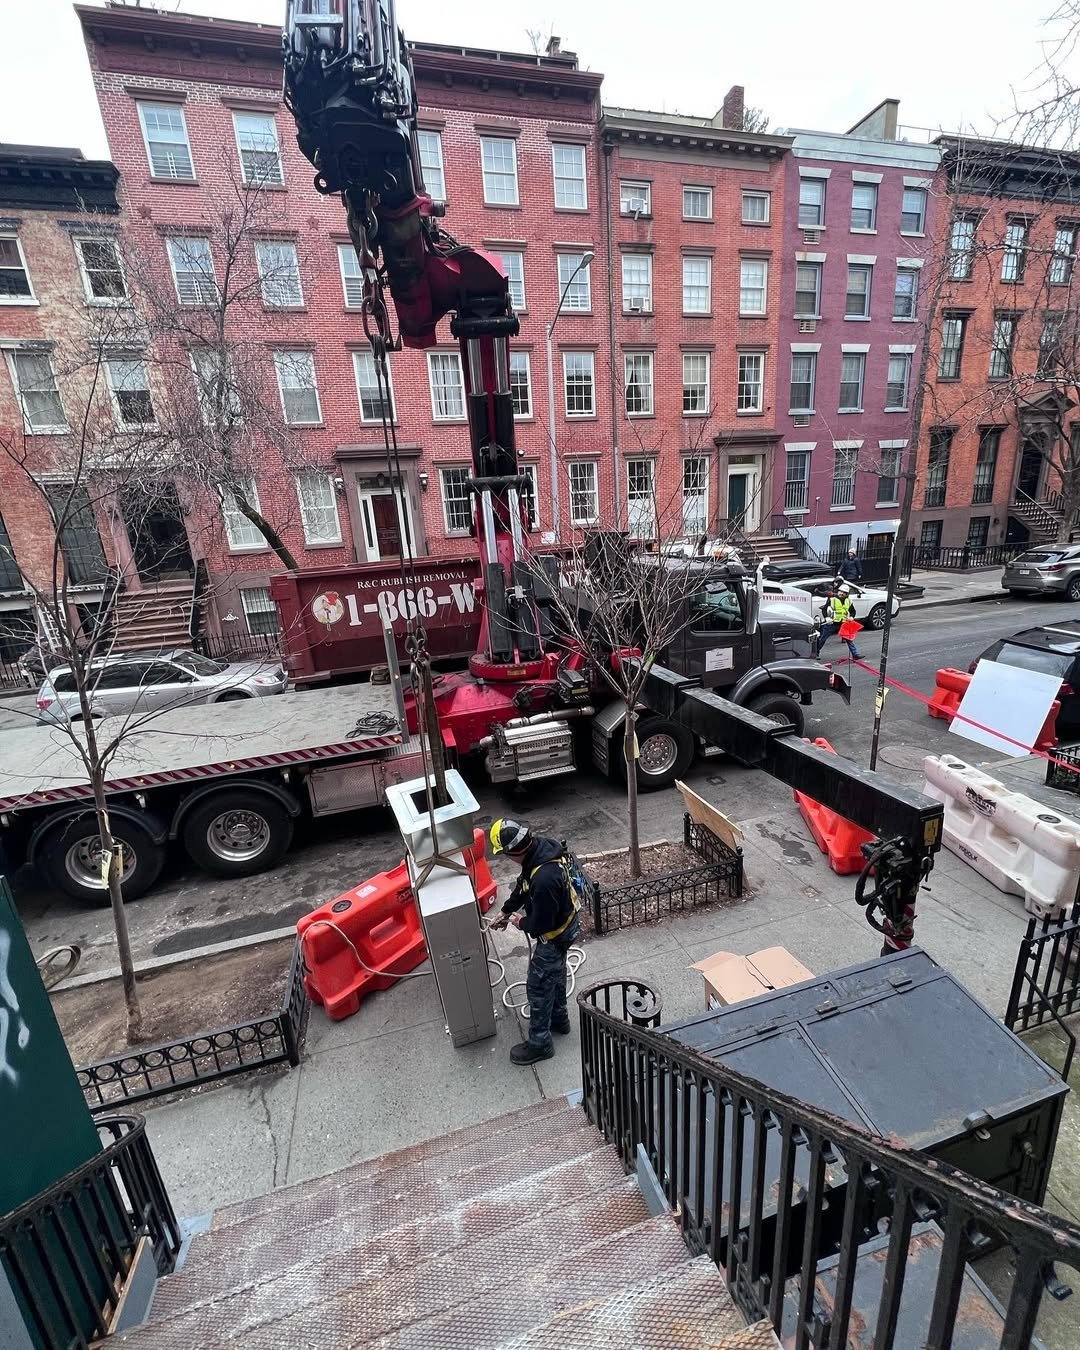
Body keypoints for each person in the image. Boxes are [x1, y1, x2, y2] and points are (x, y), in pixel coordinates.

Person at [487, 817, 582, 1065]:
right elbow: (523, 885)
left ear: (512, 851)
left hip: (555, 934)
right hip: (566, 926)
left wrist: (520, 922)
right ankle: (559, 1021)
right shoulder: (540, 849)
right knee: (556, 973)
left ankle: (540, 1044)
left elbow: (540, 925)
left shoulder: (544, 879)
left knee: (538, 986)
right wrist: (506, 910)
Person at [814, 584, 861, 662]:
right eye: (840, 591)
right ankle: (815, 653)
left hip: (843, 622)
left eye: (844, 592)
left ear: (846, 594)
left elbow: (853, 611)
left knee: (849, 639)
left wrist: (852, 617)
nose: (841, 593)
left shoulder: (848, 601)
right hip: (832, 623)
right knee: (822, 638)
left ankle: (855, 654)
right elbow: (824, 609)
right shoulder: (832, 599)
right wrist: (827, 618)